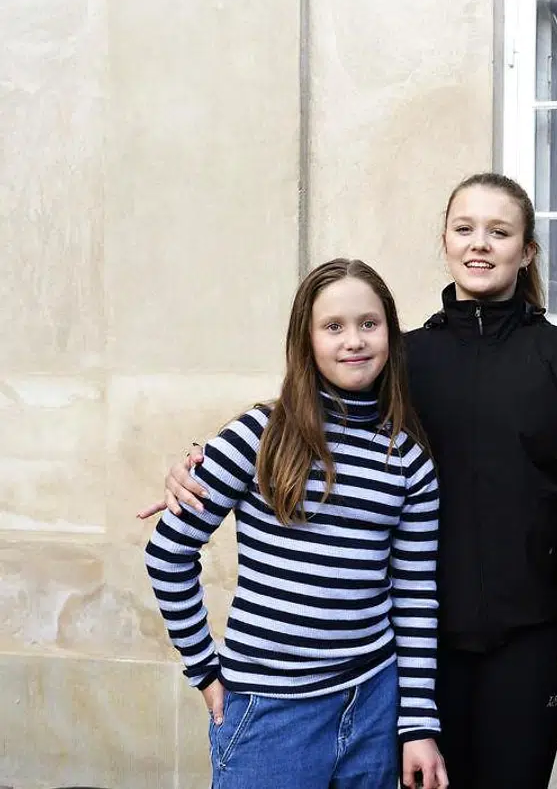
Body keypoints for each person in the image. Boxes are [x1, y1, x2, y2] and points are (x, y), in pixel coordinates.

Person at [139, 174, 557, 788]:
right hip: (350, 676)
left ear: (526, 251)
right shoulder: (403, 361)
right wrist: (200, 461)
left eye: (500, 232)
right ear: (443, 240)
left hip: (484, 651)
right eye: (464, 228)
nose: (480, 244)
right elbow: (183, 539)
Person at [142, 258, 447, 789]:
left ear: (390, 336)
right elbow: (167, 554)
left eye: (368, 324)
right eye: (333, 326)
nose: (353, 340)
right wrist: (204, 670)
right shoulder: (260, 436)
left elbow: (415, 593)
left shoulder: (408, 459)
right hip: (269, 711)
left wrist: (417, 722)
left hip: (372, 701)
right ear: (306, 340)